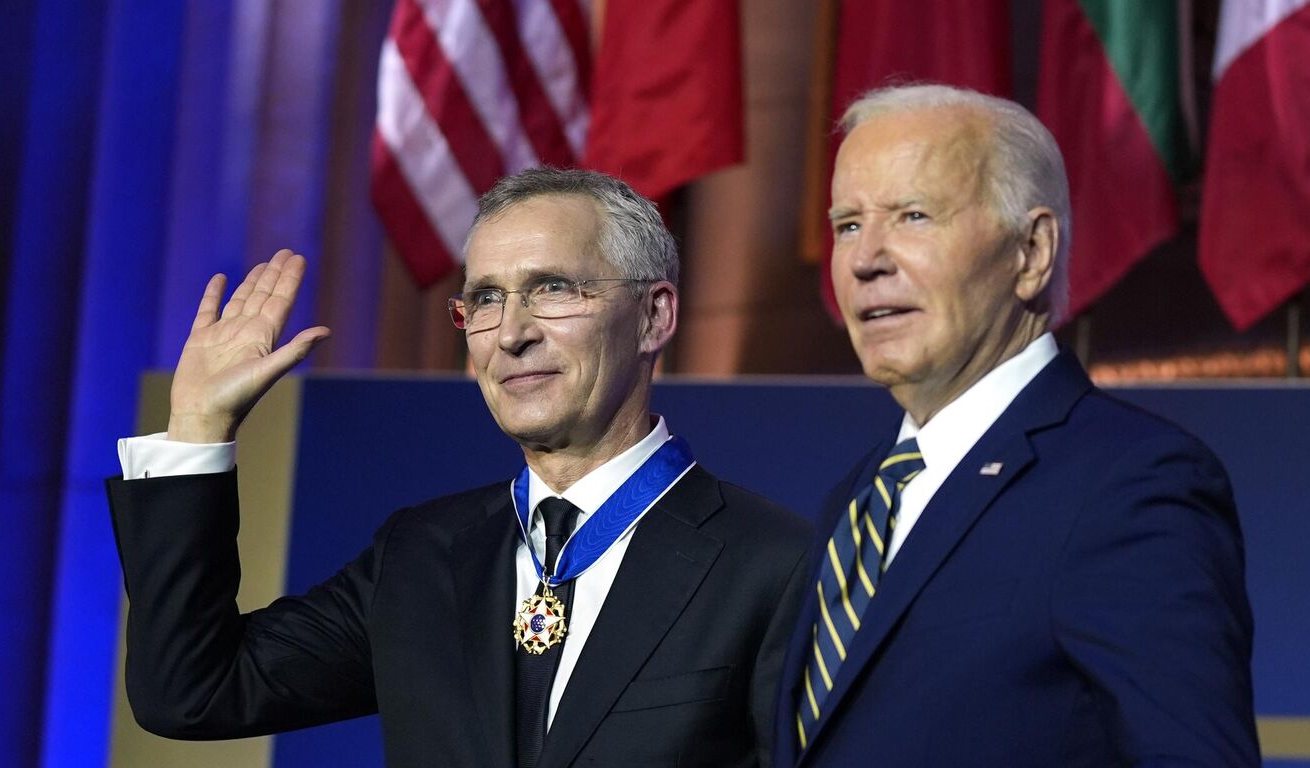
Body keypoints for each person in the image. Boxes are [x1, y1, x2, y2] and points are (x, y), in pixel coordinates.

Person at [108, 168, 811, 767]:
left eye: (554, 288)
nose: (511, 333)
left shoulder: (777, 568)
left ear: (654, 316)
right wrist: (197, 428)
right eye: (484, 299)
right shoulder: (422, 556)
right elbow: (191, 691)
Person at [775, 84, 1259, 765]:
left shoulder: (1127, 487)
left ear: (1030, 251)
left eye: (913, 216)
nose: (865, 259)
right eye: (848, 224)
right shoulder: (857, 502)